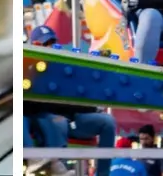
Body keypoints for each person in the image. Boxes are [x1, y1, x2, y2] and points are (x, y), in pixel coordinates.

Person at [26, 25, 118, 176]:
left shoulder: (63, 68)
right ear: (35, 45)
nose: (50, 47)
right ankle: (58, 168)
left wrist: (92, 108)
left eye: (52, 43)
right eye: (45, 44)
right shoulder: (27, 68)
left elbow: (75, 98)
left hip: (72, 119)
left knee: (107, 121)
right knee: (58, 121)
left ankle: (103, 174)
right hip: (48, 120)